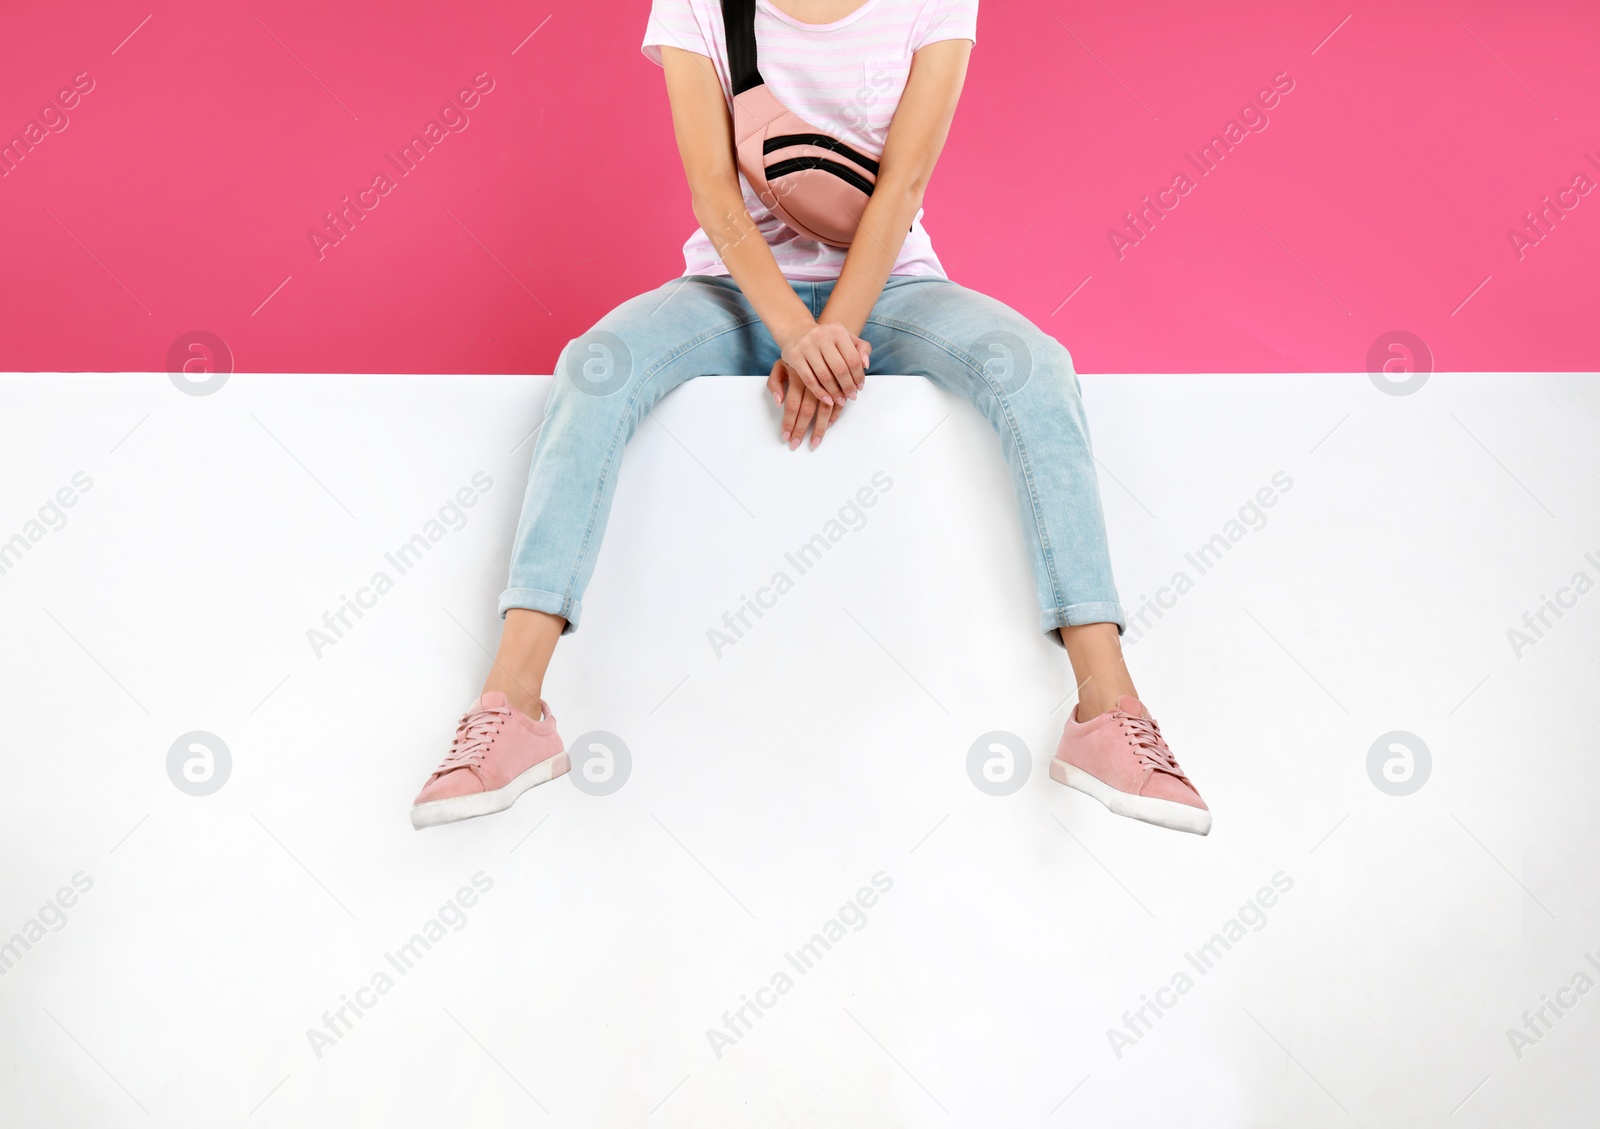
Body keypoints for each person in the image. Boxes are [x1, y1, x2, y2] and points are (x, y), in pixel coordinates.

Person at [410, 0, 1210, 836]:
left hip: (895, 286)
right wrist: (794, 327)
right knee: (592, 368)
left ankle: (1106, 710)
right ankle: (514, 706)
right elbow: (715, 193)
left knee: (1035, 368)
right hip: (733, 292)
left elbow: (902, 182)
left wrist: (836, 329)